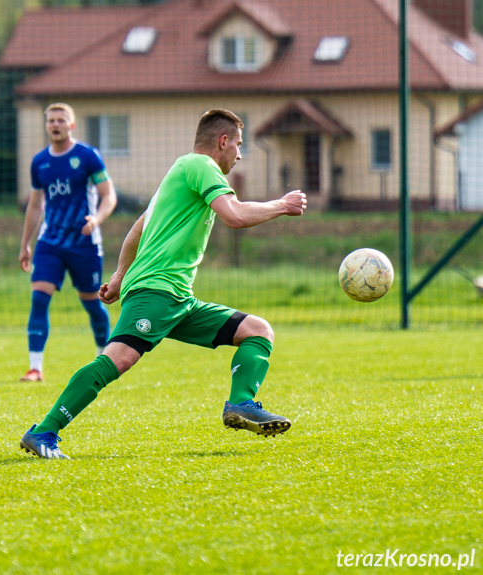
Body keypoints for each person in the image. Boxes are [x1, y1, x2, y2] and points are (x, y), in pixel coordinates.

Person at [19, 109, 307, 459]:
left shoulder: (179, 171)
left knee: (257, 330)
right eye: (239, 145)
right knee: (118, 359)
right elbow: (234, 215)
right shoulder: (202, 167)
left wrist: (119, 276)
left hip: (177, 298)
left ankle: (241, 404)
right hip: (157, 290)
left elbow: (138, 228)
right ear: (223, 141)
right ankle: (45, 431)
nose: (240, 154)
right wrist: (283, 204)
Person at [18, 103, 118, 382]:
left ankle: (106, 358)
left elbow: (108, 196)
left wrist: (96, 219)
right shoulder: (39, 162)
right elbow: (35, 205)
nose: (55, 124)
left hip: (84, 243)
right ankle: (35, 368)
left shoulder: (88, 157)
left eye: (61, 120)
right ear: (46, 125)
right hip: (50, 243)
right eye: (51, 120)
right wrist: (25, 244)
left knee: (92, 303)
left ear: (71, 125)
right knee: (39, 298)